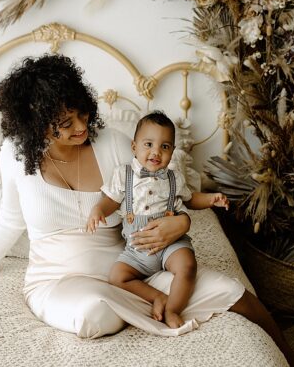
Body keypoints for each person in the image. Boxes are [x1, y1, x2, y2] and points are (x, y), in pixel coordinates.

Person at [0, 54, 294, 367]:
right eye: (65, 123)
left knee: (232, 291)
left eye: (83, 113)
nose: (81, 127)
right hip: (58, 281)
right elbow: (9, 220)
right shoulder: (14, 155)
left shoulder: (115, 145)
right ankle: (159, 307)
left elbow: (163, 196)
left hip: (132, 268)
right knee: (92, 313)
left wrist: (181, 224)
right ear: (35, 121)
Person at [85, 110, 230, 329]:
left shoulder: (175, 177)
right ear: (134, 147)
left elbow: (190, 199)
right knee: (116, 277)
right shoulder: (124, 175)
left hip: (171, 244)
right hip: (137, 250)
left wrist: (211, 199)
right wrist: (98, 209)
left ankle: (172, 308)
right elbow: (112, 200)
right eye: (148, 144)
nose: (156, 152)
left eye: (165, 146)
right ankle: (157, 297)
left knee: (187, 265)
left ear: (172, 151)